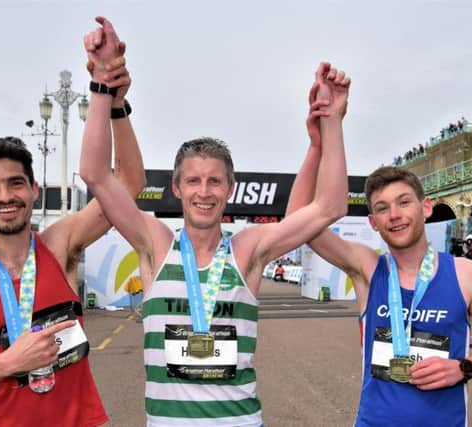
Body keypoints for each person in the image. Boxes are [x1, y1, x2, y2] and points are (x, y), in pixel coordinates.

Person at [80, 16, 350, 426]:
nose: (203, 192)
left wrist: (330, 122)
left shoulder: (249, 249)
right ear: (176, 188)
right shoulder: (154, 243)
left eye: (214, 181)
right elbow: (97, 175)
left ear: (229, 188)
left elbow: (329, 206)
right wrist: (102, 83)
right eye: (193, 181)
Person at [0, 43, 146, 426]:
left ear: (34, 189)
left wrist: (116, 104)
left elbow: (128, 184)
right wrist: (10, 362)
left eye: (15, 183)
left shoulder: (60, 244)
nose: (4, 197)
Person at [286, 111, 472, 425]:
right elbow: (298, 223)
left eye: (404, 202)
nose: (394, 214)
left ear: (425, 207)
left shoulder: (466, 274)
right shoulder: (367, 268)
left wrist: (463, 367)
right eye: (382, 208)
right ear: (373, 222)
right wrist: (319, 143)